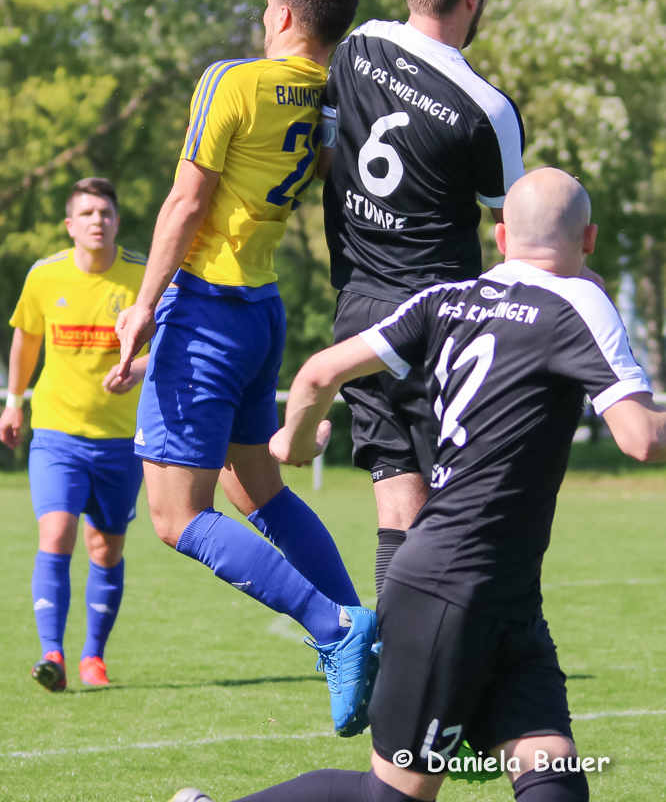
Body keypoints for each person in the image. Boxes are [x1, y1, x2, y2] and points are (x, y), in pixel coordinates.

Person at [170, 168, 666, 802]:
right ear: (589, 240)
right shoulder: (580, 302)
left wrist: (291, 442)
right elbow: (640, 437)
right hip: (448, 593)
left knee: (555, 782)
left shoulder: (444, 301)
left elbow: (320, 372)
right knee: (393, 794)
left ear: (501, 237)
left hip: (503, 597)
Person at [114, 0, 376, 732]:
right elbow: (321, 167)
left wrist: (143, 306)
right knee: (255, 490)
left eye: (268, 3)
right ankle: (363, 625)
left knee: (176, 518)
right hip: (261, 308)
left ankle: (335, 628)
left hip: (205, 307)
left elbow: (185, 202)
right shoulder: (331, 93)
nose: (264, 13)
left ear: (286, 15)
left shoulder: (231, 80)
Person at [320, 0, 527, 597]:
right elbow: (517, 237)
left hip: (357, 310)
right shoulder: (487, 110)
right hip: (437, 324)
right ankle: (446, 651)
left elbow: (328, 154)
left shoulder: (358, 47)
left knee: (397, 503)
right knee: (456, 516)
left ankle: (393, 653)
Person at [0, 178, 149, 691]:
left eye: (104, 212)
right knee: (56, 535)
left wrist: (139, 368)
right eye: (86, 213)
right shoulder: (45, 275)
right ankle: (53, 655)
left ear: (117, 222)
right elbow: (26, 341)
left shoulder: (143, 276)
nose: (96, 221)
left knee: (104, 550)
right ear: (69, 224)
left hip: (121, 440)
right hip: (56, 434)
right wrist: (13, 402)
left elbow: (174, 340)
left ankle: (93, 657)